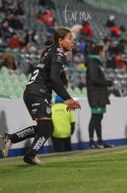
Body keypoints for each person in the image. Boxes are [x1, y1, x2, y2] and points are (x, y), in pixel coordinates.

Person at [1, 28, 81, 165]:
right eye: (69, 38)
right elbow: (55, 79)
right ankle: (29, 154)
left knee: (45, 128)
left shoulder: (52, 51)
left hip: (33, 92)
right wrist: (68, 99)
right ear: (60, 41)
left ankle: (13, 139)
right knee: (47, 128)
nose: (72, 41)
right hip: (38, 93)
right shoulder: (58, 54)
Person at [86, 45, 114, 148]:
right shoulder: (93, 64)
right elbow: (94, 79)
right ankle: (91, 142)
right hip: (96, 95)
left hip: (98, 95)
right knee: (95, 117)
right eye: (103, 51)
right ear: (99, 52)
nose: (104, 53)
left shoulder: (95, 63)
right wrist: (106, 83)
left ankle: (100, 141)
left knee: (98, 117)